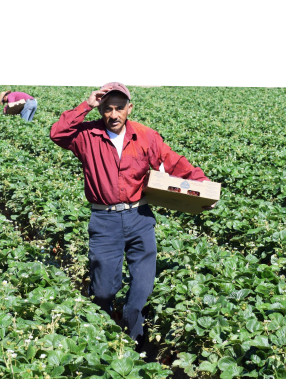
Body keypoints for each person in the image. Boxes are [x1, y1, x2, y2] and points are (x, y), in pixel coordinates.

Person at [50, 82, 214, 350]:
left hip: (140, 216)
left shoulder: (145, 136)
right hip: (104, 220)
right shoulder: (87, 135)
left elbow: (173, 163)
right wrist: (85, 105)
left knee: (141, 287)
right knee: (103, 289)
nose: (113, 114)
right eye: (107, 108)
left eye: (119, 108)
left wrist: (203, 188)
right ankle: (102, 327)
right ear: (100, 109)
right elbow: (57, 134)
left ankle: (133, 338)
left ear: (129, 108)